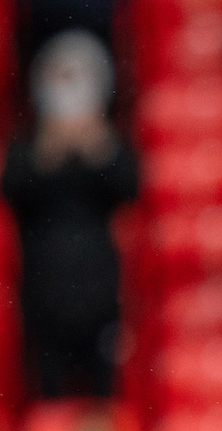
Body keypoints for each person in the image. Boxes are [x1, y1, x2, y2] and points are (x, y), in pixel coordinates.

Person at [2, 29, 139, 398]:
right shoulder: (27, 150)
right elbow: (12, 189)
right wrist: (45, 150)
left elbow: (130, 186)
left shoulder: (105, 147)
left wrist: (98, 142)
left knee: (103, 400)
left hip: (99, 293)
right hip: (43, 295)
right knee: (48, 402)